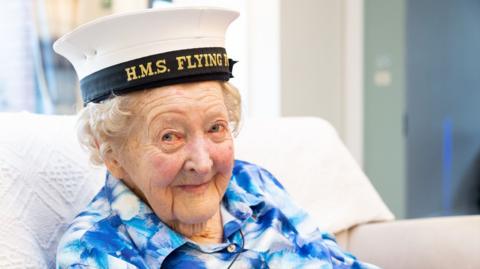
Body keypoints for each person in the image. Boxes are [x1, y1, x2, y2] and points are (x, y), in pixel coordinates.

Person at [54, 6, 379, 269]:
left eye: (215, 128)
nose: (203, 161)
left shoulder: (253, 184)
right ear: (113, 155)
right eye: (170, 136)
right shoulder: (93, 253)